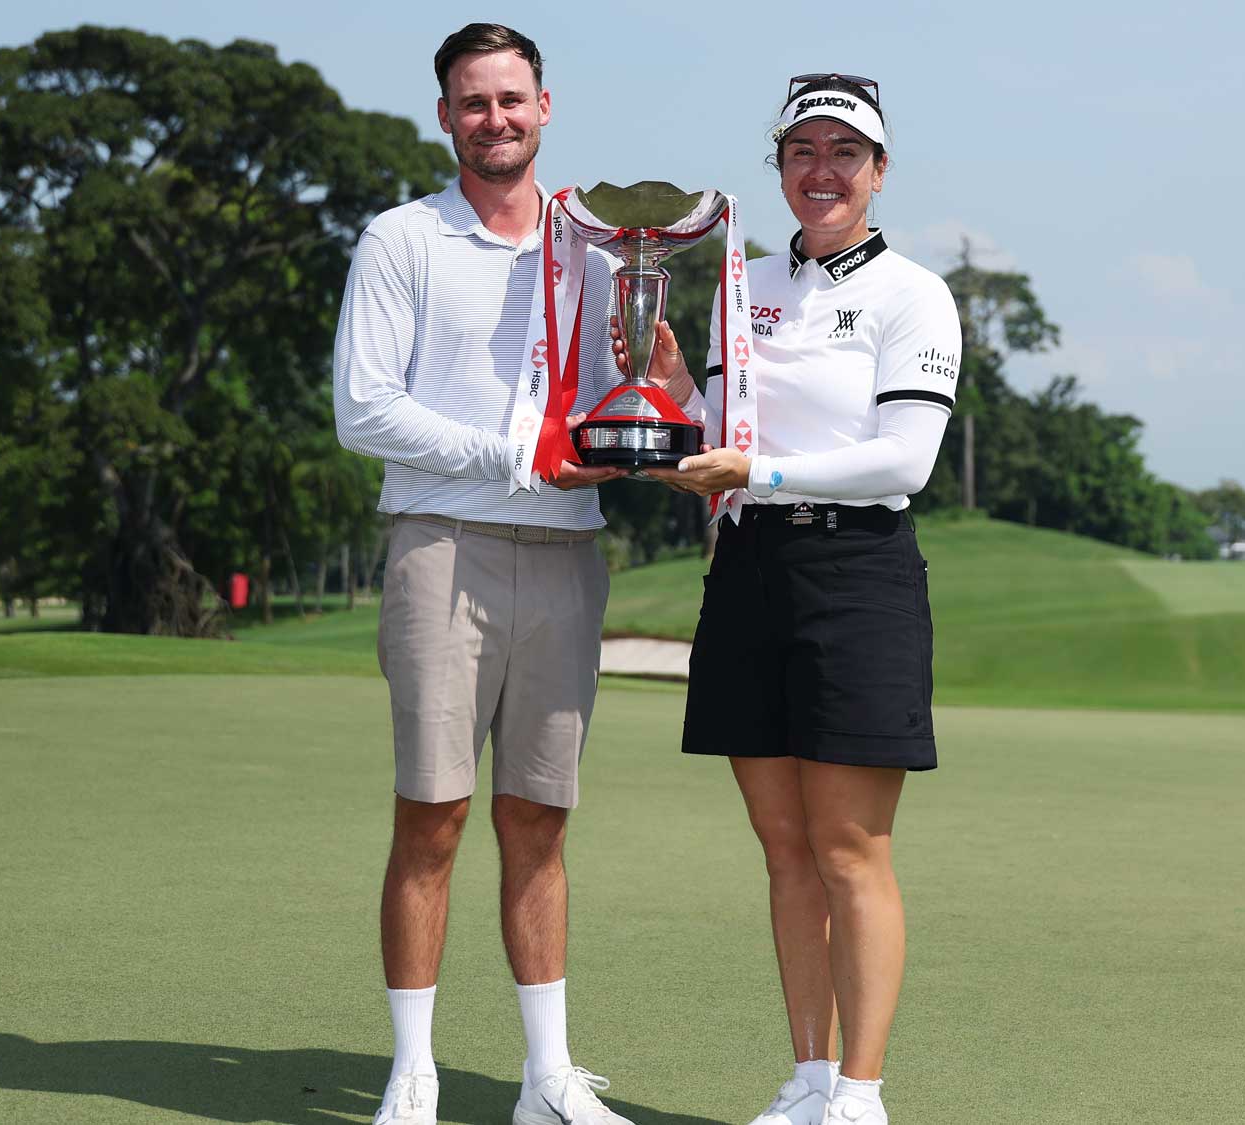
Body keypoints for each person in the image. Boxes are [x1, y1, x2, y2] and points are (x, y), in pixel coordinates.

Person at [635, 73, 960, 1125]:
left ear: (877, 171)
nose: (819, 171)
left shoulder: (912, 294)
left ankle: (859, 1095)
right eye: (799, 152)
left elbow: (901, 457)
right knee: (783, 847)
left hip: (855, 574)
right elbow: (726, 429)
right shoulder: (742, 283)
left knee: (848, 848)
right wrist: (676, 389)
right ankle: (807, 1077)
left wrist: (756, 478)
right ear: (777, 166)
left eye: (843, 152)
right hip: (748, 571)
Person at [332, 23, 639, 1125]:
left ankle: (545, 1079)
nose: (494, 119)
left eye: (512, 100)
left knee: (540, 818)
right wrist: (500, 456)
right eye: (473, 102)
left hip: (565, 552)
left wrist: (659, 401)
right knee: (433, 813)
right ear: (445, 116)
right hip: (441, 545)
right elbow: (363, 407)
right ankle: (412, 1070)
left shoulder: (599, 247)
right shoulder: (401, 240)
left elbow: (613, 399)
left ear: (544, 108)